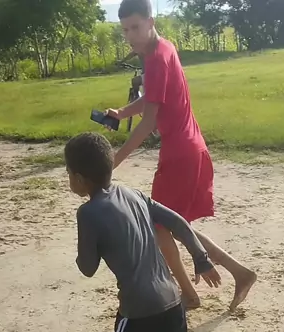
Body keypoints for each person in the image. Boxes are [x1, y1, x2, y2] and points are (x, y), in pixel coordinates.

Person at [64, 132, 257, 332]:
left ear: (78, 178)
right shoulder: (133, 194)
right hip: (170, 297)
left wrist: (87, 250)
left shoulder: (87, 213)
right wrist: (200, 257)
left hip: (137, 307)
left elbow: (87, 268)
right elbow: (177, 221)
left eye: (68, 174)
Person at [104, 0, 257, 312]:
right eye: (125, 30)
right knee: (171, 223)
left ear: (150, 22)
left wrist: (113, 161)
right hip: (190, 148)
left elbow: (148, 123)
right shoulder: (163, 49)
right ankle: (239, 273)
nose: (130, 36)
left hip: (180, 155)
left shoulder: (156, 60)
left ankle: (189, 295)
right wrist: (121, 112)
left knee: (159, 226)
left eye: (135, 27)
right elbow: (154, 98)